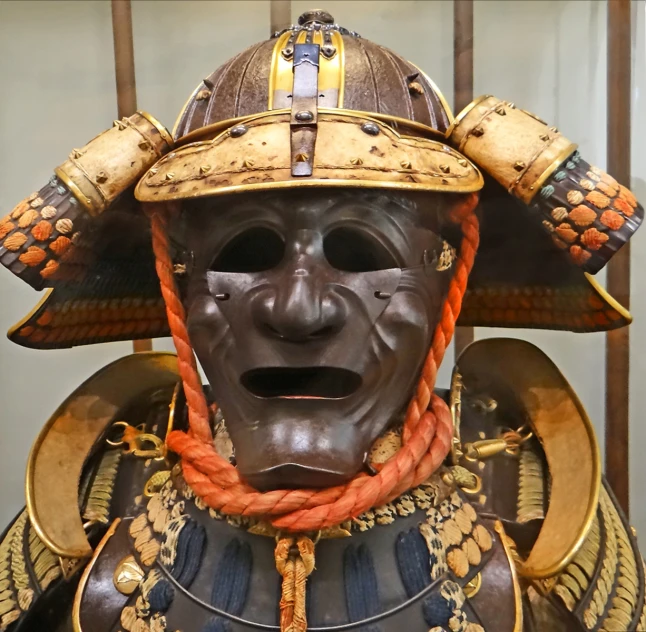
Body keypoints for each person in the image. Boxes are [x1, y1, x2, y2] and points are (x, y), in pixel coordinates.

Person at [0, 10, 643, 632]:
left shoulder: (532, 492)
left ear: (446, 278)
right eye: (245, 253)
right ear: (180, 281)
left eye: (363, 252)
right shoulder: (100, 487)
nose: (299, 309)